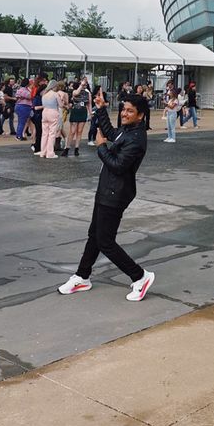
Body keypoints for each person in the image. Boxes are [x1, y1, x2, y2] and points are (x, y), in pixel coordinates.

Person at [57, 94, 154, 301]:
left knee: (105, 241)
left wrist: (101, 146)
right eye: (124, 109)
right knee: (95, 235)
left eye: (130, 111)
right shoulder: (128, 131)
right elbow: (111, 132)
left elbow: (118, 166)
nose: (124, 114)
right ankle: (82, 276)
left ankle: (139, 276)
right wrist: (101, 109)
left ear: (141, 115)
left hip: (116, 194)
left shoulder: (137, 139)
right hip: (106, 190)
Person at [65, 77, 91, 157]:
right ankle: (67, 148)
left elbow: (89, 103)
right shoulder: (75, 91)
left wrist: (90, 113)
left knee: (79, 131)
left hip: (83, 111)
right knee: (72, 131)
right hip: (75, 111)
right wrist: (81, 85)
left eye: (86, 83)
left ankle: (77, 148)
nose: (84, 84)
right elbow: (75, 93)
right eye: (83, 83)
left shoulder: (88, 92)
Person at [40, 80, 62, 159]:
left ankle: (43, 152)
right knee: (52, 134)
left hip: (44, 112)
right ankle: (50, 153)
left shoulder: (44, 94)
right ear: (54, 86)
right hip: (53, 112)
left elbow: (43, 104)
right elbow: (61, 105)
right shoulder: (55, 94)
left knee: (45, 133)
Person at [30, 75, 47, 154]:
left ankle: (40, 147)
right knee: (39, 132)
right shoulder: (37, 98)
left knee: (40, 132)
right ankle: (37, 147)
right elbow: (35, 107)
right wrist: (44, 106)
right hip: (37, 116)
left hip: (41, 115)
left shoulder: (42, 97)